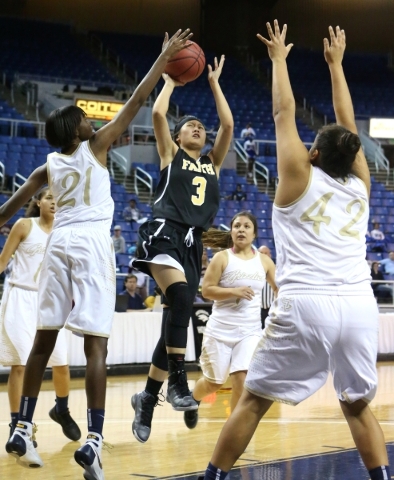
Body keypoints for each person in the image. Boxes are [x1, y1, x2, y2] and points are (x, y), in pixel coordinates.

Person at [200, 22, 390, 480]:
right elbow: (348, 125)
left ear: (315, 155)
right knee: (358, 405)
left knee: (253, 401)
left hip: (307, 302)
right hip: (360, 306)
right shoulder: (363, 187)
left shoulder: (297, 178)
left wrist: (280, 61)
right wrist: (337, 66)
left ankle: (214, 477)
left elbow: (284, 112)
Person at [0, 28, 193, 479]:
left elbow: (10, 206)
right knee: (96, 348)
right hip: (88, 244)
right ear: (78, 130)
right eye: (86, 118)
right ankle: (94, 440)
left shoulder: (48, 165)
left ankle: (23, 425)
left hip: (57, 247)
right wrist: (163, 59)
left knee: (42, 342)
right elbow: (137, 101)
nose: (92, 121)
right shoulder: (97, 147)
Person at [131, 54, 233, 444]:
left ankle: (148, 397)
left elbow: (227, 124)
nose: (198, 128)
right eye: (190, 125)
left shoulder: (213, 163)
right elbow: (158, 114)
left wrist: (214, 83)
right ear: (177, 136)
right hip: (164, 231)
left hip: (192, 243)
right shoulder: (170, 155)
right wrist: (171, 80)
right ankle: (178, 382)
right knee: (179, 296)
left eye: (200, 127)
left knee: (176, 317)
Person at [0, 189, 81, 449]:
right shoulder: (25, 225)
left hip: (50, 301)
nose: (55, 202)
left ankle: (61, 409)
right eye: (49, 198)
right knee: (20, 364)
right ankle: (17, 425)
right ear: (38, 202)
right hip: (21, 297)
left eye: (59, 199)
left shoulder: (65, 233)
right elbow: (2, 261)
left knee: (62, 364)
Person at [183, 212, 276, 430]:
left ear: (254, 234)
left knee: (242, 381)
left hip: (249, 331)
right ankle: (193, 399)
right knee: (214, 383)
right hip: (220, 330)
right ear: (231, 231)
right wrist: (234, 291)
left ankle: (233, 432)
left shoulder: (265, 261)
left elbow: (279, 289)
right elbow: (206, 291)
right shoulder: (222, 258)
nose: (241, 229)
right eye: (237, 226)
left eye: (246, 226)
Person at [257, 245, 275, 328]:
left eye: (266, 253)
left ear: (270, 255)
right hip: (257, 309)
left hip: (273, 309)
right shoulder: (251, 270)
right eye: (261, 253)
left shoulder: (277, 270)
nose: (263, 255)